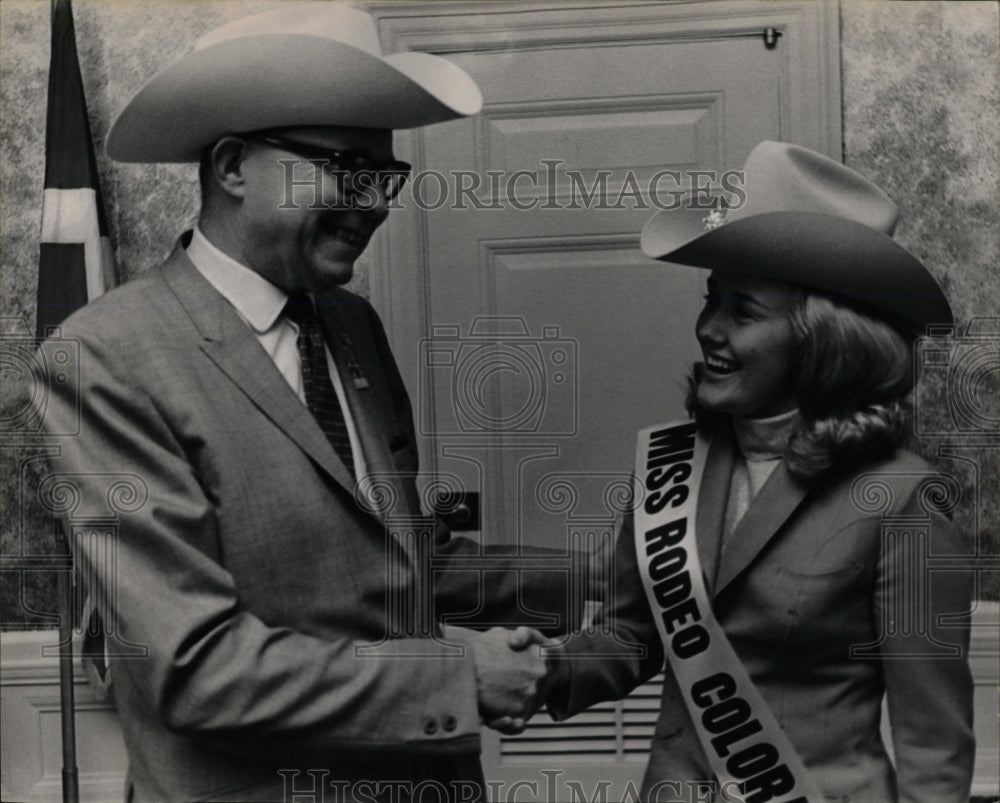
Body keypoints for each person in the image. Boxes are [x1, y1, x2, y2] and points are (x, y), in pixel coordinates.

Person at [35, 5, 593, 801]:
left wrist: (612, 569)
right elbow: (196, 668)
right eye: (348, 170)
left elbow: (403, 564)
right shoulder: (103, 358)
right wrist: (455, 678)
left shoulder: (351, 325)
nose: (375, 204)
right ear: (232, 165)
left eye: (386, 177)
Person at [536, 142, 975, 803]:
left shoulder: (904, 499)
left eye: (743, 312)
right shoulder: (671, 467)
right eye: (712, 300)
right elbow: (631, 635)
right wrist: (539, 670)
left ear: (821, 339)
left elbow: (933, 742)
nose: (708, 328)